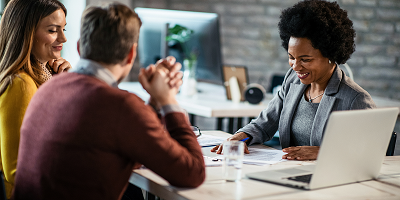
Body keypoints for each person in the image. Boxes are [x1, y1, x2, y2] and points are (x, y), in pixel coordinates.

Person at [12, 2, 205, 200]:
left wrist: (155, 102)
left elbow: (127, 145)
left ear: (79, 47)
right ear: (131, 53)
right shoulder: (121, 106)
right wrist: (168, 99)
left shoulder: (48, 88)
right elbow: (193, 173)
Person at [212, 0, 376, 160]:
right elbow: (265, 123)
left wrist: (324, 152)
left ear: (330, 55)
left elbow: (370, 152)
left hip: (327, 181)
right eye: (291, 57)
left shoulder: (356, 99)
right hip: (287, 172)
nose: (296, 66)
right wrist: (241, 137)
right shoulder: (293, 80)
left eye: (305, 59)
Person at [0, 0, 70, 198]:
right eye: (53, 30)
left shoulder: (45, 75)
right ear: (26, 33)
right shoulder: (20, 84)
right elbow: (18, 170)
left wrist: (65, 85)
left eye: (64, 28)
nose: (63, 38)